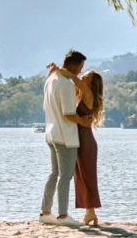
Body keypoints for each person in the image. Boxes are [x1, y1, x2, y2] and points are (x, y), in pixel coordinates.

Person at [39, 50, 92, 226]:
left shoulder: (50, 81)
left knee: (54, 173)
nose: (79, 72)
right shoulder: (65, 84)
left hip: (51, 134)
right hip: (65, 136)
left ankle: (45, 212)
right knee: (65, 176)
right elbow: (69, 113)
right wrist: (83, 122)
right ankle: (63, 215)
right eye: (80, 67)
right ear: (71, 66)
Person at [51, 64, 104, 226]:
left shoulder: (88, 94)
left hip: (86, 141)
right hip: (76, 140)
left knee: (88, 177)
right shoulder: (80, 92)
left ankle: (91, 213)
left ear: (92, 84)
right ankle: (89, 213)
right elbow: (67, 83)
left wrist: (59, 68)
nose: (82, 77)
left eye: (86, 77)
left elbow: (72, 77)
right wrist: (57, 72)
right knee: (79, 177)